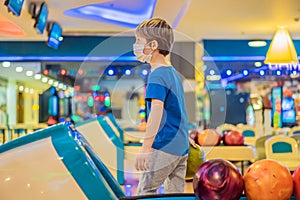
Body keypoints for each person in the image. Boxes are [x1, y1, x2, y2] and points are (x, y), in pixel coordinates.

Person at [133, 18, 189, 195]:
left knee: (145, 192)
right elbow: (178, 110)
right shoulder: (172, 73)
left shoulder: (157, 75)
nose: (135, 46)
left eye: (138, 41)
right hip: (181, 146)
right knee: (175, 195)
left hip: (164, 145)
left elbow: (156, 111)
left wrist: (146, 147)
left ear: (153, 44)